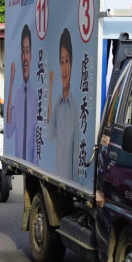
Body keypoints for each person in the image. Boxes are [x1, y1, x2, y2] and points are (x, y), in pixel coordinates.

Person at [46, 28, 77, 180]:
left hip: (72, 181)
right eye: (61, 61)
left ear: (72, 64)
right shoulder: (58, 103)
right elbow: (49, 134)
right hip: (57, 177)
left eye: (67, 61)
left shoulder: (76, 108)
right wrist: (50, 89)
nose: (64, 68)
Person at [6, 24, 38, 162]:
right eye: (23, 51)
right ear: (21, 56)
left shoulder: (35, 95)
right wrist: (11, 83)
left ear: (31, 56)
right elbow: (8, 130)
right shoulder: (17, 94)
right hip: (18, 165)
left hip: (33, 168)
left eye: (28, 51)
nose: (25, 57)